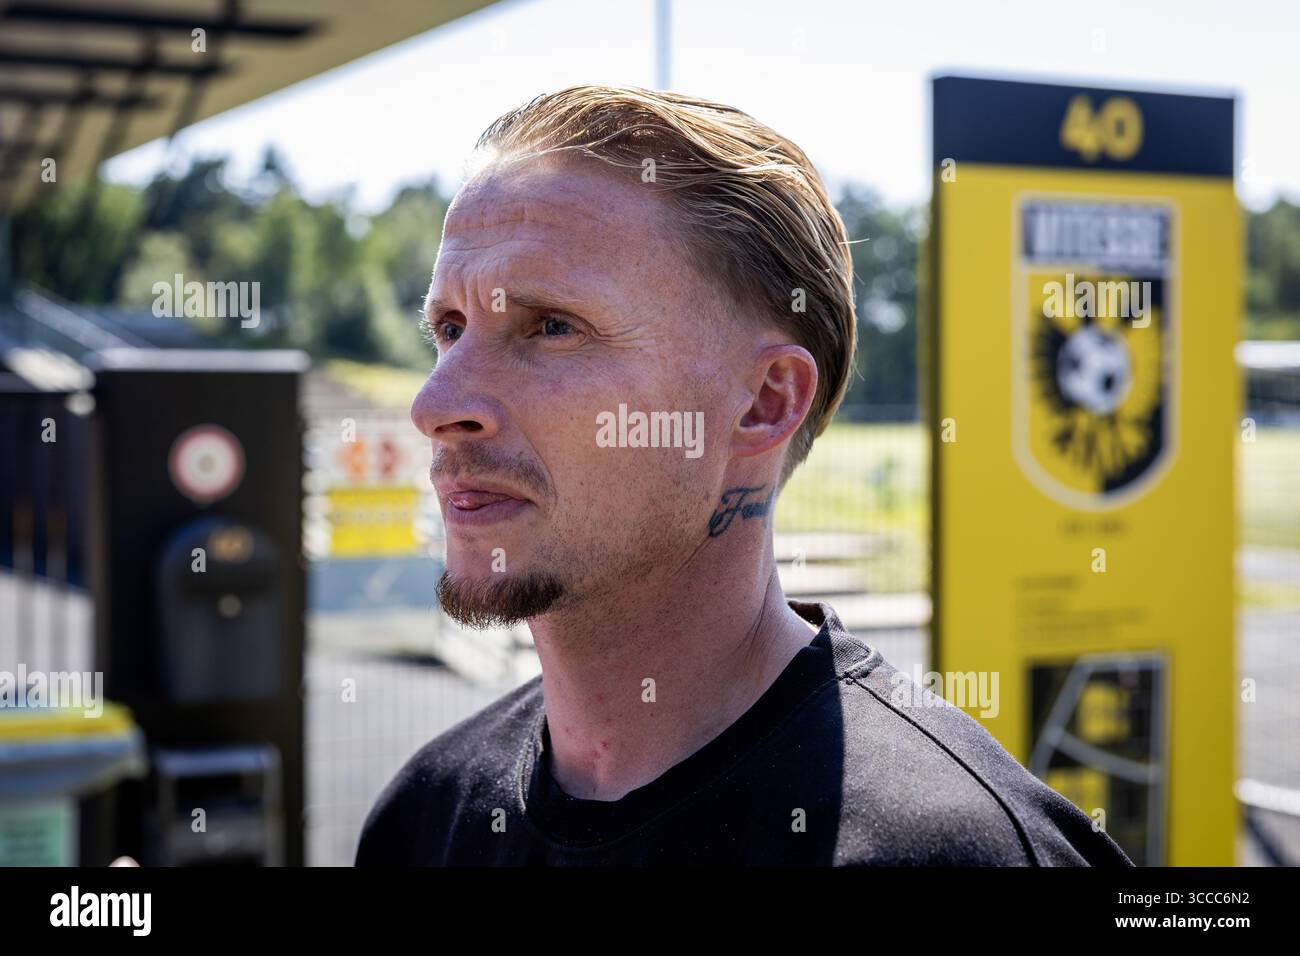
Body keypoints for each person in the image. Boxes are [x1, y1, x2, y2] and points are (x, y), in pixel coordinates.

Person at [355, 84, 1134, 866]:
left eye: (552, 327)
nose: (435, 403)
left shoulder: (967, 853)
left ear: (764, 403)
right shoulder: (423, 818)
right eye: (449, 329)